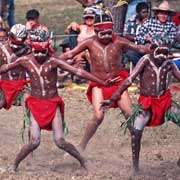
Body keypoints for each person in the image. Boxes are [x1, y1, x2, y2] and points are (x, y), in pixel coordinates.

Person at [0, 29, 115, 171]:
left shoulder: (53, 61)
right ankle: (15, 164)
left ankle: (82, 161)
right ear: (32, 48)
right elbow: (6, 67)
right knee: (34, 141)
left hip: (52, 103)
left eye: (43, 51)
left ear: (48, 47)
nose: (40, 55)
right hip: (35, 103)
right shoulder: (25, 60)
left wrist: (102, 82)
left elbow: (78, 72)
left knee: (60, 140)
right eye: (37, 51)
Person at [59, 10, 149, 153]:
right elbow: (71, 53)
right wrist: (54, 60)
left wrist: (154, 49)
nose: (107, 36)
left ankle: (135, 141)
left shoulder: (119, 41)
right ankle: (82, 146)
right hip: (99, 83)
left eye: (109, 33)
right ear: (96, 30)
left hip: (118, 82)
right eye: (103, 34)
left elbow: (138, 48)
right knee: (98, 115)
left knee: (129, 112)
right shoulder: (89, 42)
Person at [100, 36, 180, 176]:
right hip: (147, 103)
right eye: (159, 52)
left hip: (165, 102)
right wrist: (112, 99)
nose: (162, 56)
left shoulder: (169, 64)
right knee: (136, 132)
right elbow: (128, 81)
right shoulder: (145, 60)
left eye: (165, 52)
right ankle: (135, 167)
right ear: (152, 49)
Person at [0, 24, 31, 110]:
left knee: (28, 100)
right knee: (1, 101)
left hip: (21, 86)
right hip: (3, 85)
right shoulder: (1, 49)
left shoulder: (28, 50)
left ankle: (31, 122)